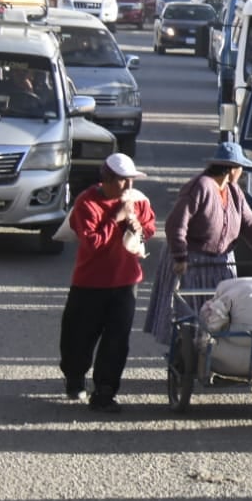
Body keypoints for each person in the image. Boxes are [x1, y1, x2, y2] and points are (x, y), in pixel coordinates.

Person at [143, 142, 252, 346]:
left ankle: (216, 355)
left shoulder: (233, 191)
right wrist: (180, 257)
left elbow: (249, 223)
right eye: (240, 168)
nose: (241, 173)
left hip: (220, 262)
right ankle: (187, 353)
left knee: (222, 315)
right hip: (191, 261)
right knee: (190, 315)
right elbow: (176, 224)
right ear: (231, 169)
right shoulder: (200, 187)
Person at [59, 153, 157, 412]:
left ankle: (104, 391)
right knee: (78, 337)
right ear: (107, 179)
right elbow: (92, 244)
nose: (128, 187)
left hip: (125, 282)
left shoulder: (138, 201)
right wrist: (116, 218)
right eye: (123, 181)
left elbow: (149, 227)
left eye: (131, 181)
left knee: (117, 340)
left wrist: (136, 224)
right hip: (90, 283)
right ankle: (75, 377)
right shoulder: (86, 203)